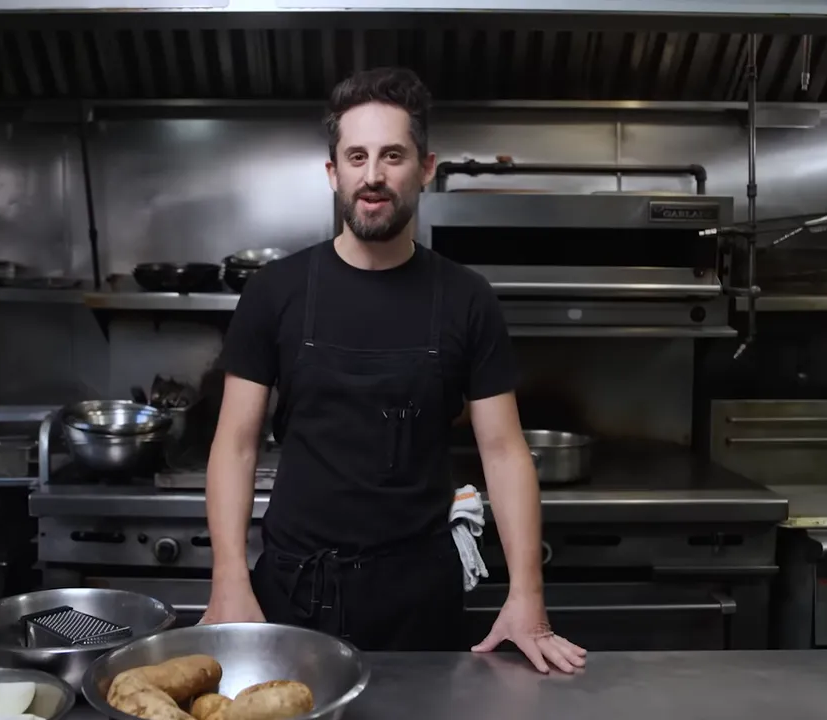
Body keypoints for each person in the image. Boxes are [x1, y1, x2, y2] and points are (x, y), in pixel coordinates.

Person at [201, 66, 586, 674]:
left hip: (420, 600)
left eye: (392, 155)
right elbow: (236, 444)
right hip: (291, 592)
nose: (373, 176)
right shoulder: (275, 292)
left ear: (425, 168)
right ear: (334, 173)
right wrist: (227, 578)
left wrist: (527, 599)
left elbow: (505, 452)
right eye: (356, 156)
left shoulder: (467, 298)